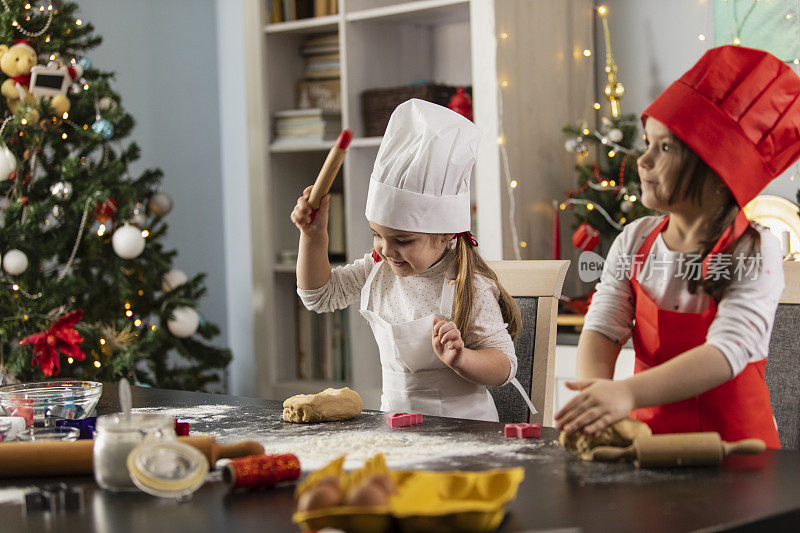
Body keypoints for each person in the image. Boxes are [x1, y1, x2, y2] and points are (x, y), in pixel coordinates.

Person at [555, 45, 800, 447]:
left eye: (665, 148)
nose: (643, 160)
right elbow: (603, 326)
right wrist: (597, 398)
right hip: (648, 444)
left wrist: (628, 393)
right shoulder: (634, 241)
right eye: (648, 143)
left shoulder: (754, 251)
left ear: (719, 173)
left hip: (738, 456)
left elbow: (729, 350)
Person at [291, 98, 533, 422]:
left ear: (447, 233)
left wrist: (463, 359)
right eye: (377, 234)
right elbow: (318, 296)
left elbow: (504, 365)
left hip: (465, 437)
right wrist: (313, 237)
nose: (386, 250)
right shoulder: (378, 270)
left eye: (403, 240)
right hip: (398, 432)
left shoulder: (468, 285)